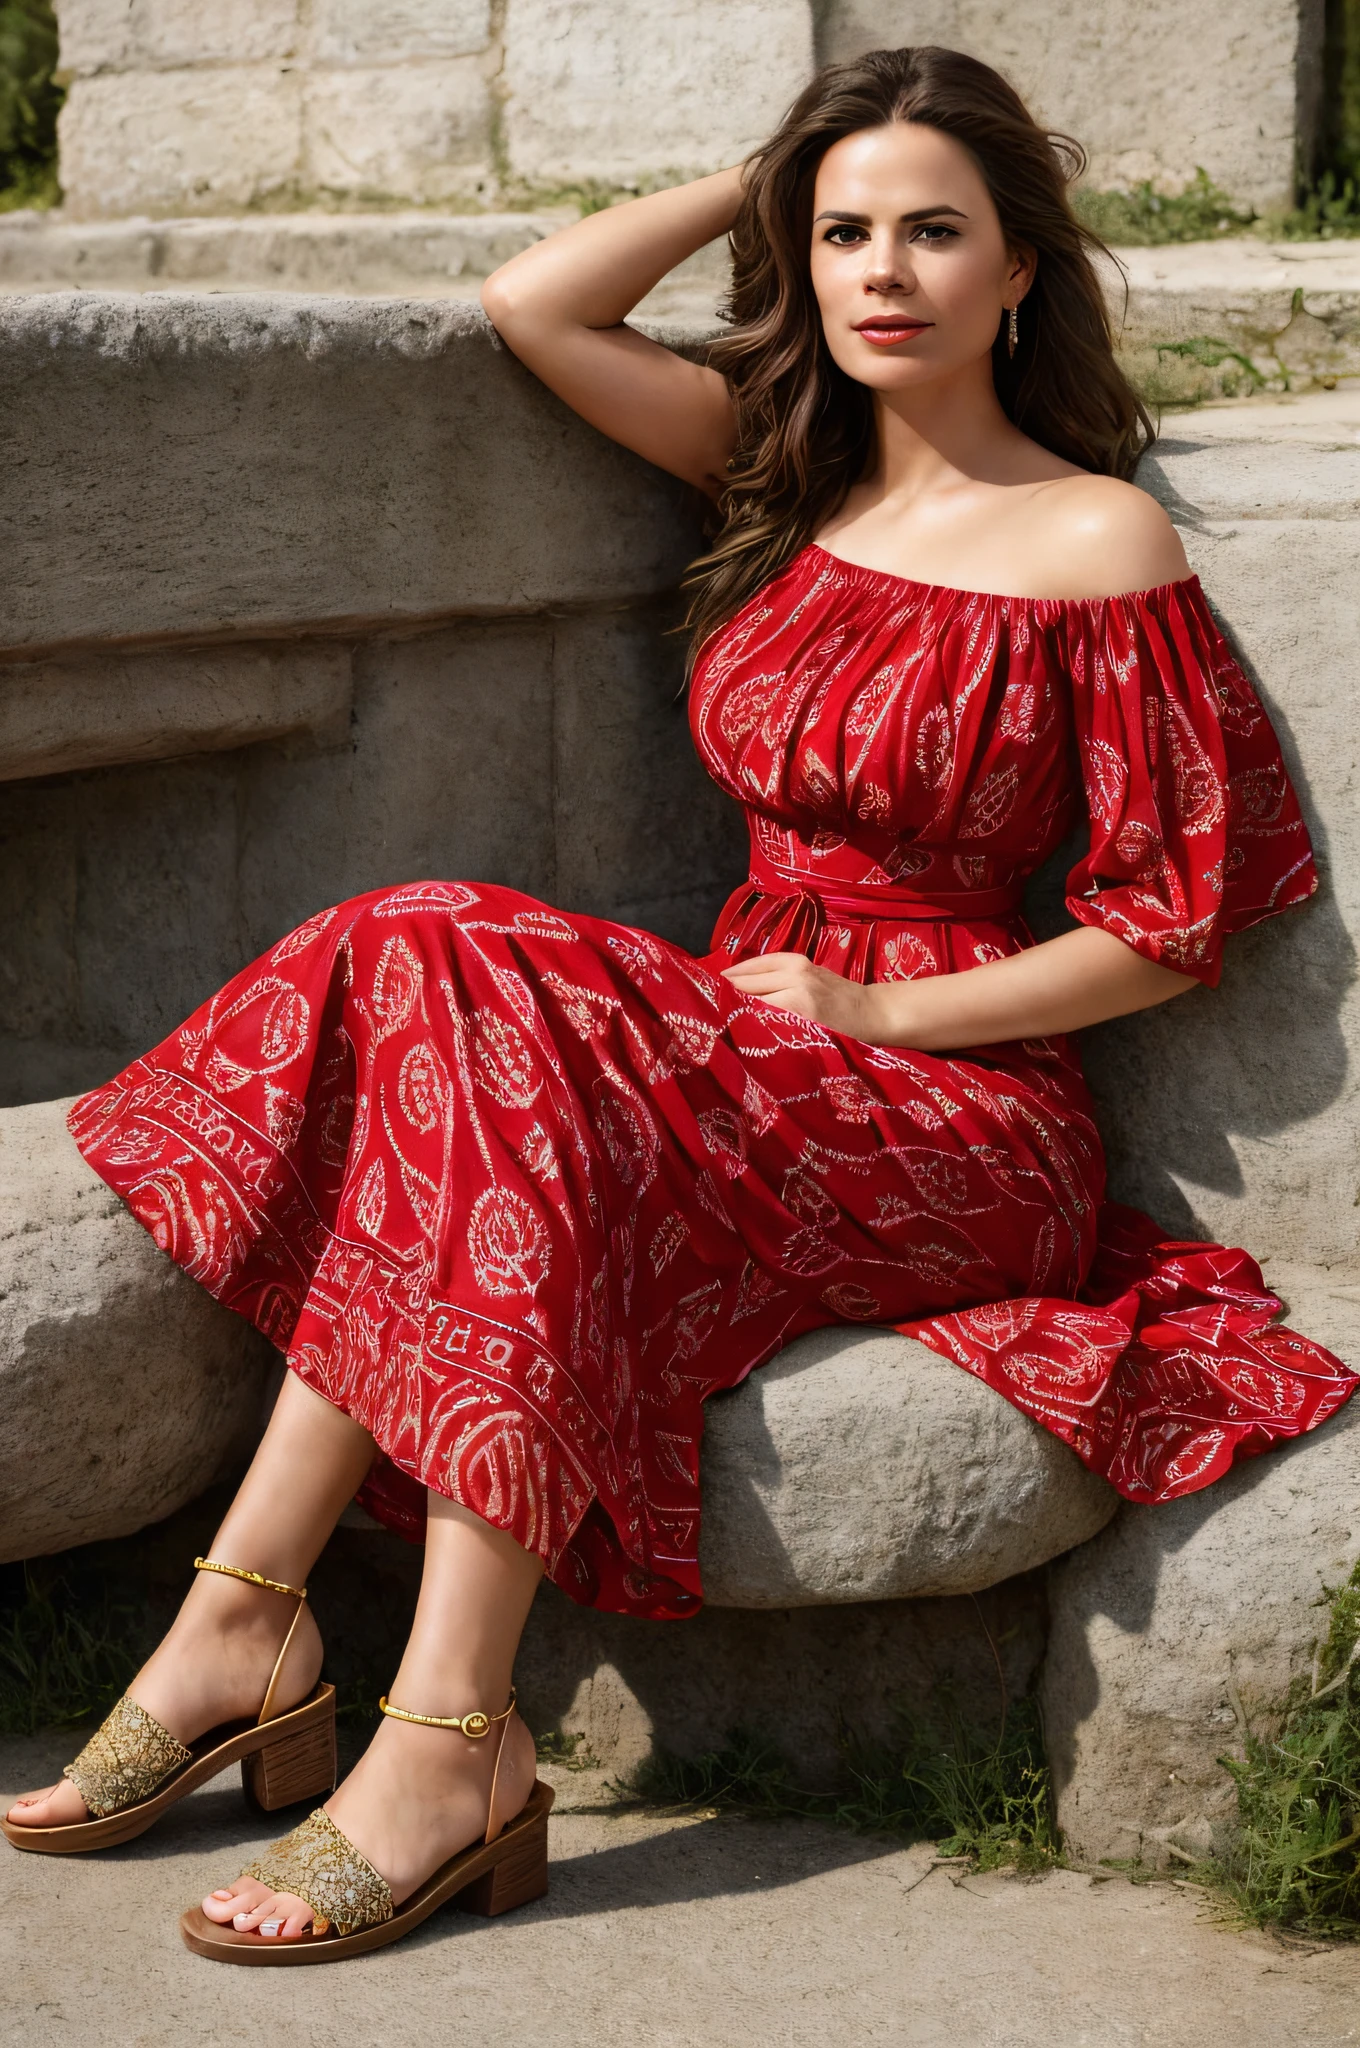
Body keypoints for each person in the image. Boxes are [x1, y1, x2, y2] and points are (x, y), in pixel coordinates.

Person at [4, 45, 1352, 1961]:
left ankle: (383, 1705)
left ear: (1022, 270)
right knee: (447, 982)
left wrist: (886, 1021)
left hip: (953, 1114)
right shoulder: (785, 478)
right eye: (845, 235)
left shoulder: (1093, 541)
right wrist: (774, 165)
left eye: (936, 231)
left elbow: (1177, 918)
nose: (884, 273)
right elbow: (530, 305)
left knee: (448, 952)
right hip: (733, 1052)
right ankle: (283, 1640)